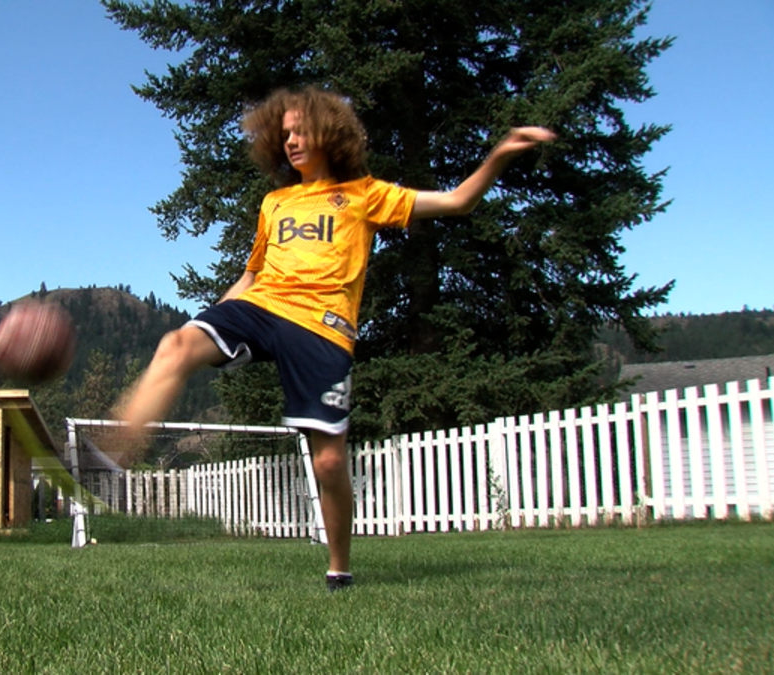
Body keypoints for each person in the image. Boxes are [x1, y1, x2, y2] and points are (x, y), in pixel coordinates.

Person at [116, 85, 555, 591]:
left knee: (327, 459)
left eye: (302, 131)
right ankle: (120, 442)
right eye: (285, 135)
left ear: (330, 132)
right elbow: (252, 275)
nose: (292, 142)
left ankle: (339, 568)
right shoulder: (275, 203)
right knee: (175, 344)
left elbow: (458, 201)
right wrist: (213, 317)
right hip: (263, 307)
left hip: (323, 329)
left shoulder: (366, 194)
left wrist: (499, 153)